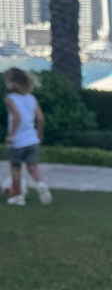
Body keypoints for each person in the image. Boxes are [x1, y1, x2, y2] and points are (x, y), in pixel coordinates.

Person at [3, 67, 52, 206]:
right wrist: (39, 133)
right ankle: (41, 184)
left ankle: (18, 196)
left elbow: (17, 117)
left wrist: (11, 135)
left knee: (15, 169)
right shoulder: (32, 98)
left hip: (18, 141)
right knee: (33, 167)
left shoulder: (10, 99)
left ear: (13, 83)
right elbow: (40, 118)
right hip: (32, 140)